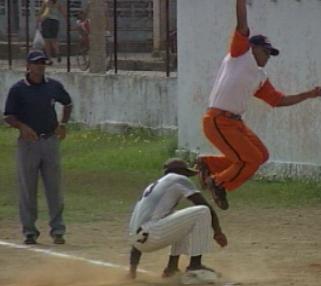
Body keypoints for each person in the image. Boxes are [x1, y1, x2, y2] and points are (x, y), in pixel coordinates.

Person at [197, 0, 321, 210]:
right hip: (217, 119)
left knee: (261, 155)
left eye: (270, 54)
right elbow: (242, 22)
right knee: (250, 160)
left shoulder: (260, 77)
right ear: (252, 47)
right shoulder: (240, 55)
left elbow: (279, 100)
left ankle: (209, 164)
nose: (268, 56)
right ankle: (217, 182)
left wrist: (309, 94)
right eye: (265, 51)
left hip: (235, 122)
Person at [3, 50, 72, 245]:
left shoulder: (53, 86)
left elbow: (67, 103)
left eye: (42, 63)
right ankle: (29, 231)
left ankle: (58, 230)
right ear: (28, 66)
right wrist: (22, 127)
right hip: (28, 144)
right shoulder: (18, 89)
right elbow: (9, 115)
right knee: (28, 189)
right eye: (36, 63)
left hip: (49, 140)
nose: (40, 67)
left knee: (54, 188)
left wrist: (63, 124)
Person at [128, 158, 227, 282]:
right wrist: (218, 232)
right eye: (186, 173)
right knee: (202, 211)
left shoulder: (154, 187)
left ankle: (171, 268)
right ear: (180, 172)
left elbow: (138, 226)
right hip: (153, 234)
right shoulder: (179, 179)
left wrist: (132, 271)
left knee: (180, 217)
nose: (187, 177)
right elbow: (204, 205)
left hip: (138, 242)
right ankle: (195, 266)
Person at [37, 0, 67, 64]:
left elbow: (41, 12)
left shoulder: (45, 2)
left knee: (47, 41)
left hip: (46, 21)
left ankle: (50, 59)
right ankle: (58, 52)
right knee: (54, 39)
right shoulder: (58, 3)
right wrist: (67, 20)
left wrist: (39, 18)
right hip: (55, 22)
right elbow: (64, 13)